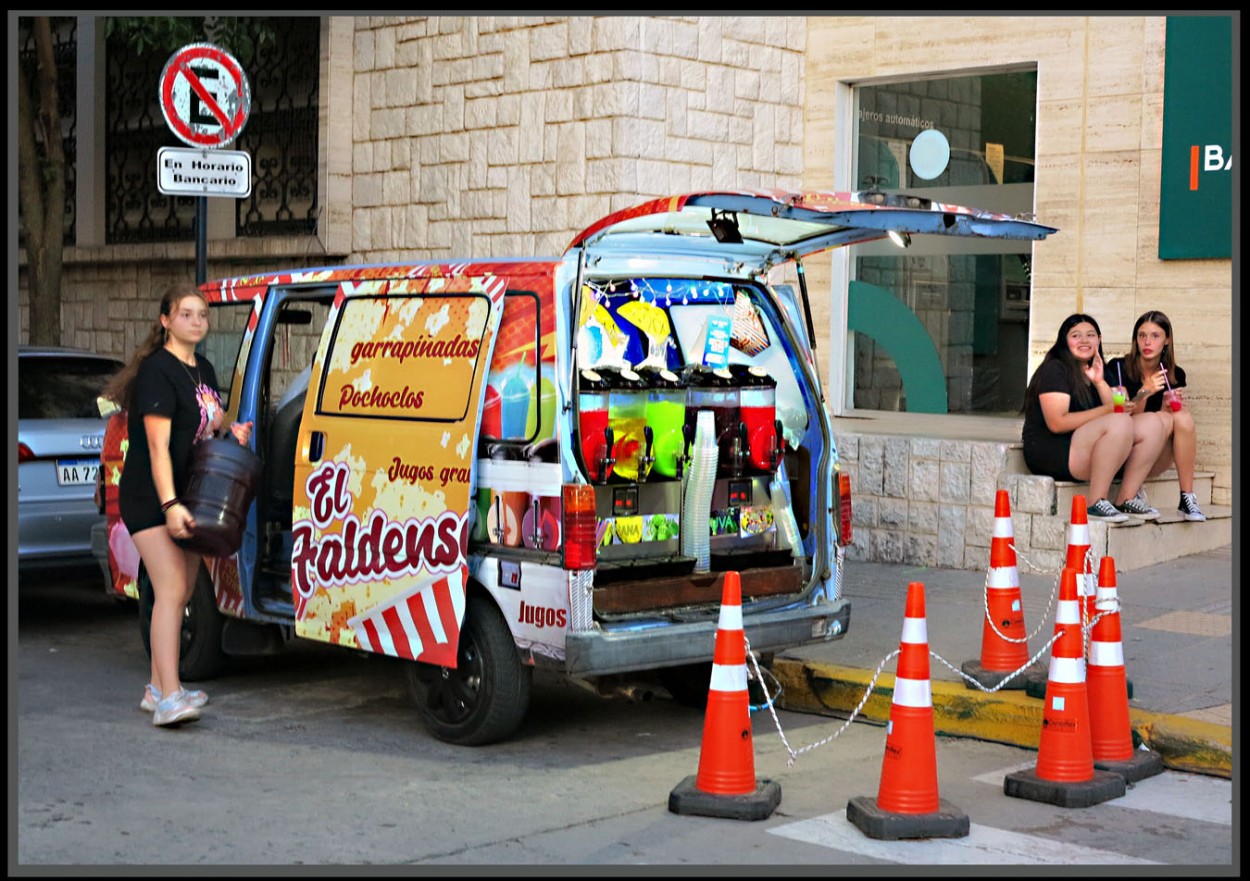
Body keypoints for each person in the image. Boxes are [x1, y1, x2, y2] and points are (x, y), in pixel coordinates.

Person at [101, 282, 253, 727]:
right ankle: (169, 697)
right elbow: (156, 444)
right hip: (152, 497)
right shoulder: (157, 371)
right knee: (169, 589)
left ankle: (156, 687)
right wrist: (169, 504)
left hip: (189, 495)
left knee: (184, 590)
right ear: (165, 321)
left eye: (202, 315)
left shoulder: (202, 367)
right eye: (186, 314)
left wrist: (231, 433)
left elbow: (205, 424)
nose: (196, 322)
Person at [1022, 313, 1168, 522]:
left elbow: (1119, 410)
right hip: (1053, 452)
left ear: (1099, 340)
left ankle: (1126, 497)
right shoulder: (1054, 369)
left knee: (1153, 422)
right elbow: (1057, 423)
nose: (1084, 340)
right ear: (1064, 340)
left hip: (1084, 448)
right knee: (1119, 421)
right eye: (1076, 335)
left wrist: (1099, 382)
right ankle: (1096, 502)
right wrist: (1108, 410)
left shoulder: (1100, 370)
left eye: (1090, 335)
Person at [1104, 310, 1205, 521]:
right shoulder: (1118, 368)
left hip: (1154, 453)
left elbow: (1164, 423)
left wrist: (1168, 407)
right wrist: (1145, 391)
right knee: (1162, 419)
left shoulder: (1175, 374)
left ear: (1166, 340)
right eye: (1142, 335)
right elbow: (1123, 417)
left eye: (1155, 336)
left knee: (1180, 417)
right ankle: (1132, 489)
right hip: (1122, 449)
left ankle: (1187, 497)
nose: (1147, 342)